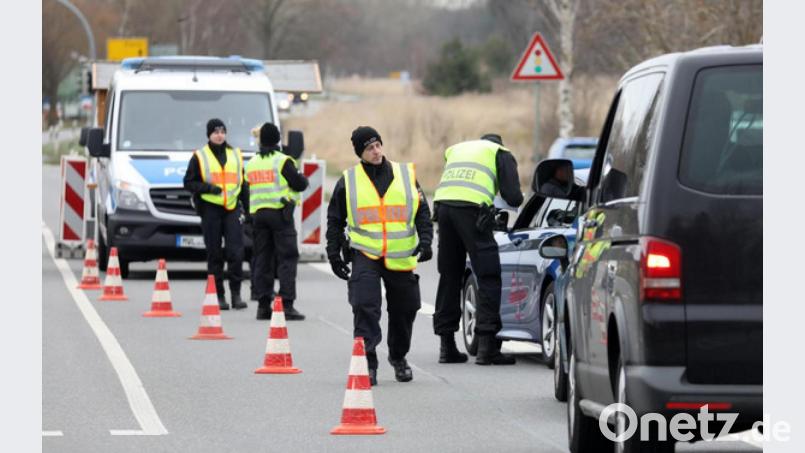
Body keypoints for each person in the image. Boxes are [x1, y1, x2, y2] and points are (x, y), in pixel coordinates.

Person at [326, 126, 434, 386]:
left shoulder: (405, 174)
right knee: (364, 304)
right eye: (368, 148)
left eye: (377, 145)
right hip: (366, 253)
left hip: (399, 255)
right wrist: (334, 253)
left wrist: (427, 240)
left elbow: (421, 211)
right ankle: (368, 362)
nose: (375, 151)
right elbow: (334, 220)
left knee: (406, 308)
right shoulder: (348, 180)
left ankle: (398, 357)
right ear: (359, 152)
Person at [432, 133, 523, 365]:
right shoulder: (500, 153)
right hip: (472, 212)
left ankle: (447, 347)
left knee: (449, 276)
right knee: (488, 275)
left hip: (443, 208)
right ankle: (487, 348)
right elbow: (513, 197)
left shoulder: (457, 149)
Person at [246, 122, 309, 321]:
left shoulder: (252, 163)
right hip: (280, 215)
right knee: (287, 258)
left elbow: (247, 188)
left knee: (263, 259)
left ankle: (263, 306)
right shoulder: (282, 161)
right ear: (277, 139)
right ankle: (287, 305)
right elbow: (299, 184)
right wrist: (302, 178)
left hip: (258, 215)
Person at [183, 118, 248, 311]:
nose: (219, 135)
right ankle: (218, 295)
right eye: (215, 132)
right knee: (214, 253)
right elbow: (188, 182)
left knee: (236, 253)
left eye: (222, 131)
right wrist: (208, 188)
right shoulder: (200, 156)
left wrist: (249, 209)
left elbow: (242, 184)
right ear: (209, 135)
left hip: (232, 208)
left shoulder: (235, 154)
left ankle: (236, 294)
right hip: (211, 208)